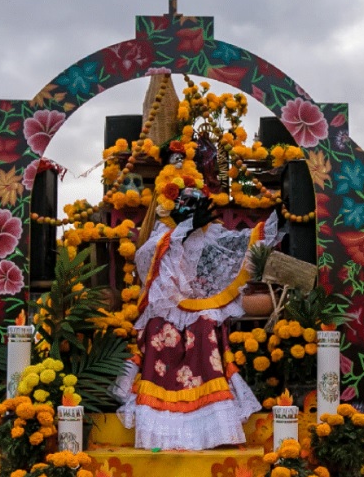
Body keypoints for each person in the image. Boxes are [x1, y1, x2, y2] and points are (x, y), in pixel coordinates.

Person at [114, 185, 279, 450]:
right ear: (172, 208)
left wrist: (270, 223)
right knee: (158, 329)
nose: (192, 210)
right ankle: (163, 424)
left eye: (196, 205)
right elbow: (146, 261)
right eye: (186, 205)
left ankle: (210, 426)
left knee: (205, 328)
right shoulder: (162, 236)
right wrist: (185, 228)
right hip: (166, 308)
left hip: (198, 307)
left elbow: (235, 247)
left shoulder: (210, 235)